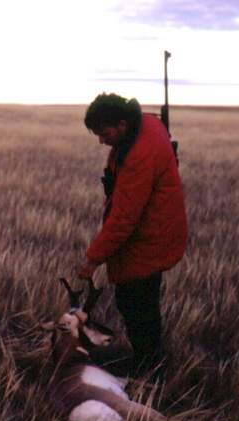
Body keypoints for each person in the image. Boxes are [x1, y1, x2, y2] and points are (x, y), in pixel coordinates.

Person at [78, 93, 188, 378]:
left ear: (123, 124)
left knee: (135, 302)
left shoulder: (140, 155)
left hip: (150, 237)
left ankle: (151, 369)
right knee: (141, 301)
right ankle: (151, 361)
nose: (102, 141)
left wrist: (92, 259)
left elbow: (124, 219)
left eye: (105, 133)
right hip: (155, 230)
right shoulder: (147, 125)